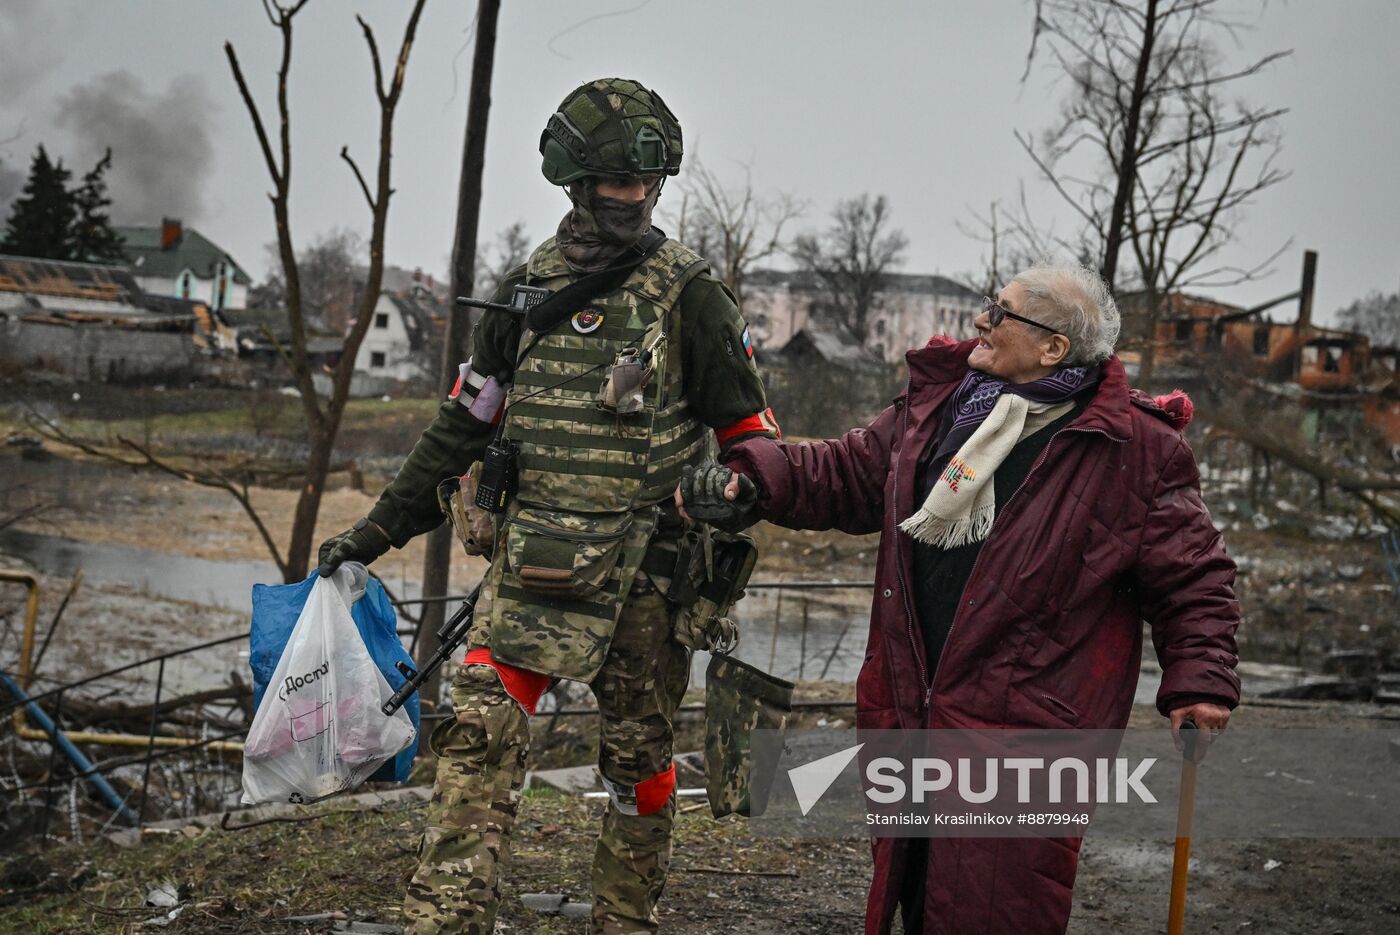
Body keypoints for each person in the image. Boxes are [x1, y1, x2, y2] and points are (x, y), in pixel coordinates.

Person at [318, 77, 780, 935]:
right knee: (476, 739)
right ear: (575, 181)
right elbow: (459, 428)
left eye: (647, 183)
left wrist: (737, 486)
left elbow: (753, 435)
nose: (634, 198)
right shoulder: (524, 294)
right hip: (532, 570)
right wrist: (373, 533)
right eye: (615, 182)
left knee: (639, 767)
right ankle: (444, 921)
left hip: (649, 581)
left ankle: (623, 920)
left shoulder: (691, 298)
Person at [678, 264, 1241, 935]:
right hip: (912, 704)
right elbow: (842, 472)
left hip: (1028, 729)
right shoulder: (941, 411)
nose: (981, 320)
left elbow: (1194, 577)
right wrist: (753, 480)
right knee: (914, 888)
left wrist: (1199, 683)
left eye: (1000, 313)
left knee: (999, 902)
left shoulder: (1134, 448)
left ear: (1054, 347)